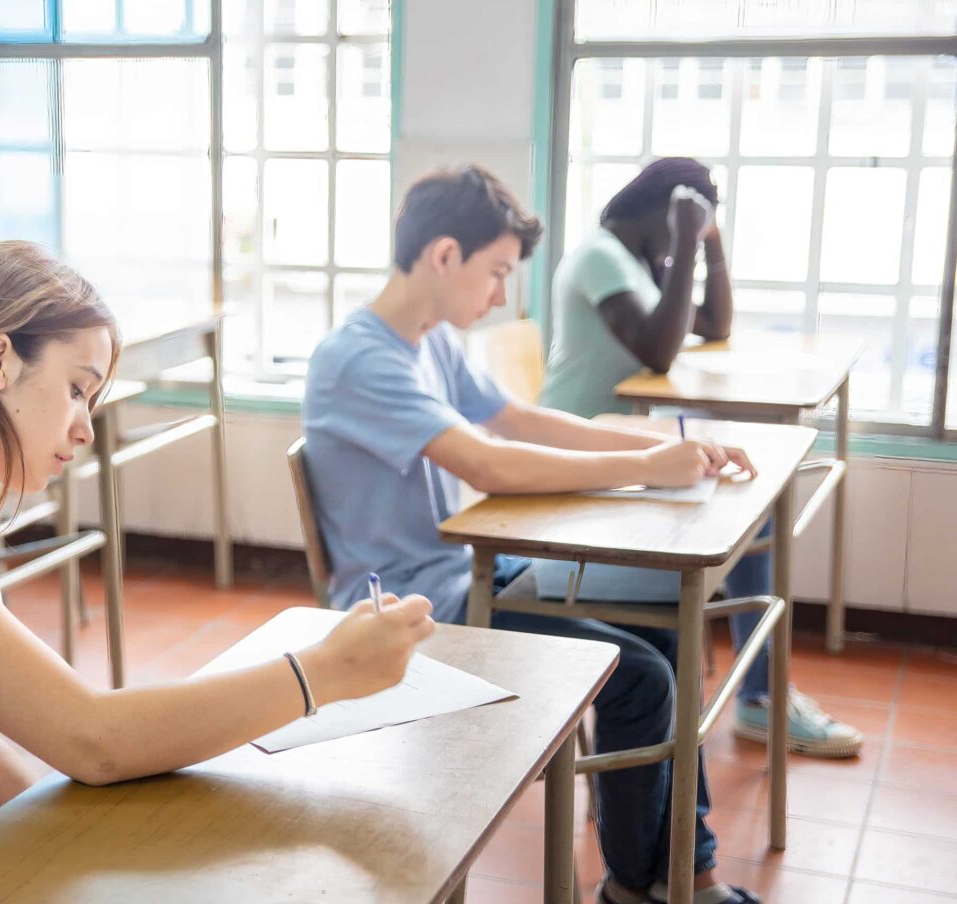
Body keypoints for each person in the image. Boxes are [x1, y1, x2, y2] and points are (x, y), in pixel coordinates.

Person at [0, 240, 434, 902]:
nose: (85, 427)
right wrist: (322, 674)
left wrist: (67, 843)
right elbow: (94, 738)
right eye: (77, 389)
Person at [303, 165, 761, 904]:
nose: (501, 297)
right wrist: (648, 463)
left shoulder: (430, 340)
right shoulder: (360, 358)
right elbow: (486, 460)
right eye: (497, 273)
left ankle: (678, 874)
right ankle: (648, 884)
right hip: (409, 608)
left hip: (469, 572)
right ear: (444, 255)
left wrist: (670, 457)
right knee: (640, 676)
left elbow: (516, 419)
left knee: (668, 628)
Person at [540, 158, 862, 759]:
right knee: (747, 515)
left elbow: (713, 324)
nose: (683, 239)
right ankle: (761, 696)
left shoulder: (637, 262)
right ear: (663, 208)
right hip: (582, 459)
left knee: (750, 506)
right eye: (687, 221)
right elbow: (660, 354)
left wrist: (708, 244)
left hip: (628, 452)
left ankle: (761, 695)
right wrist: (686, 237)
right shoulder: (599, 256)